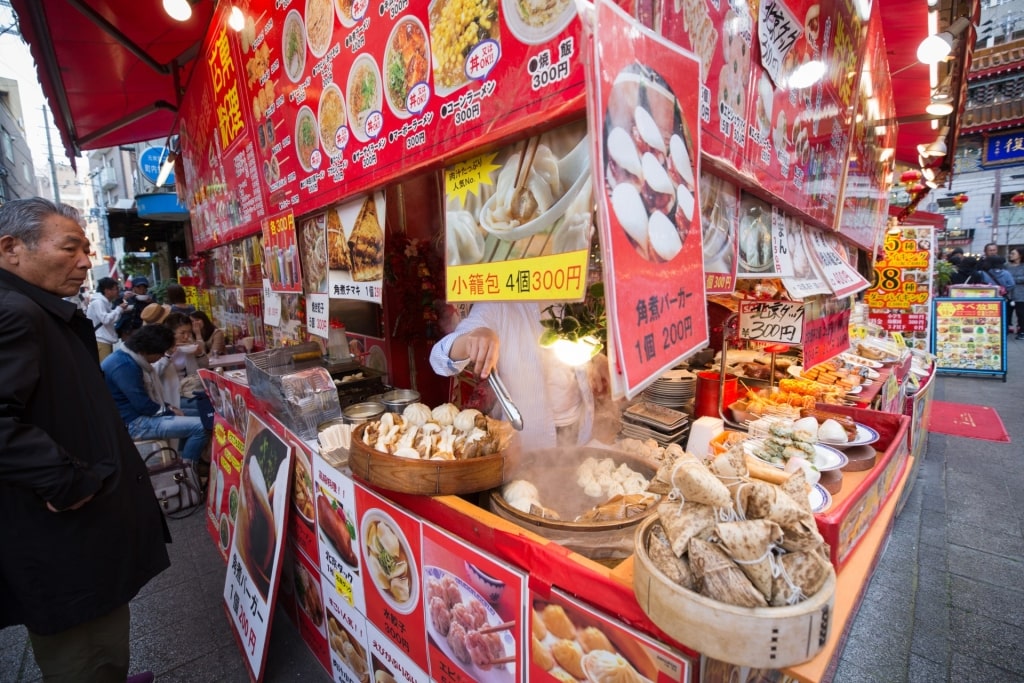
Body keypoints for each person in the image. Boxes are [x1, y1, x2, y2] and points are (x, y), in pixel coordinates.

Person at [0, 197, 168, 682]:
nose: (83, 262)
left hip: (71, 527)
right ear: (12, 248)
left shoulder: (37, 309)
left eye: (86, 249)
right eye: (69, 248)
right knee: (84, 642)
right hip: (60, 535)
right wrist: (68, 481)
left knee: (102, 631)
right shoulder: (15, 313)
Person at [429, 302, 598, 451]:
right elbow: (439, 359)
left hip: (577, 424)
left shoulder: (567, 289)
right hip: (526, 440)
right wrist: (472, 339)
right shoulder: (495, 304)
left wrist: (597, 360)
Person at [102, 324, 211, 464]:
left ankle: (185, 459)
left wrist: (169, 408)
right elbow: (142, 405)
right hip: (134, 423)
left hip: (136, 416)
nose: (160, 357)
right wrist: (170, 412)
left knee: (196, 416)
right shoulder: (124, 366)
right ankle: (186, 470)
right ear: (150, 350)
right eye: (160, 353)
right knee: (201, 427)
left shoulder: (126, 357)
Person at [157, 312, 210, 416]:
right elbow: (154, 372)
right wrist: (168, 354)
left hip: (192, 391)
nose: (186, 336)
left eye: (189, 332)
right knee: (205, 409)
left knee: (210, 405)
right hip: (172, 396)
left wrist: (200, 354)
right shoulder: (159, 349)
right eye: (182, 333)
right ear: (170, 332)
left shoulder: (189, 345)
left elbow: (204, 366)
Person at [87, 275, 128, 360]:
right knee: (104, 368)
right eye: (116, 289)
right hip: (101, 340)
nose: (118, 291)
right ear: (107, 290)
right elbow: (105, 319)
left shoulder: (104, 302)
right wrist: (119, 309)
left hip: (104, 339)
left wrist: (119, 310)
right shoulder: (98, 302)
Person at [115, 275, 152, 340]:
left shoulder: (149, 298)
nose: (142, 290)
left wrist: (150, 302)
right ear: (133, 288)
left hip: (143, 331)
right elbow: (114, 308)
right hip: (127, 332)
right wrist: (123, 299)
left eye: (144, 288)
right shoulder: (126, 296)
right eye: (139, 288)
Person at [1007, 247, 1024, 338]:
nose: (1011, 255)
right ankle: (1007, 329)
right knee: (1007, 313)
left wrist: (1012, 280)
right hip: (1008, 294)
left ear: (1020, 255)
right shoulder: (1007, 266)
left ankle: (1021, 331)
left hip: (1021, 294)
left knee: (1021, 314)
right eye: (1011, 253)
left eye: (1013, 254)